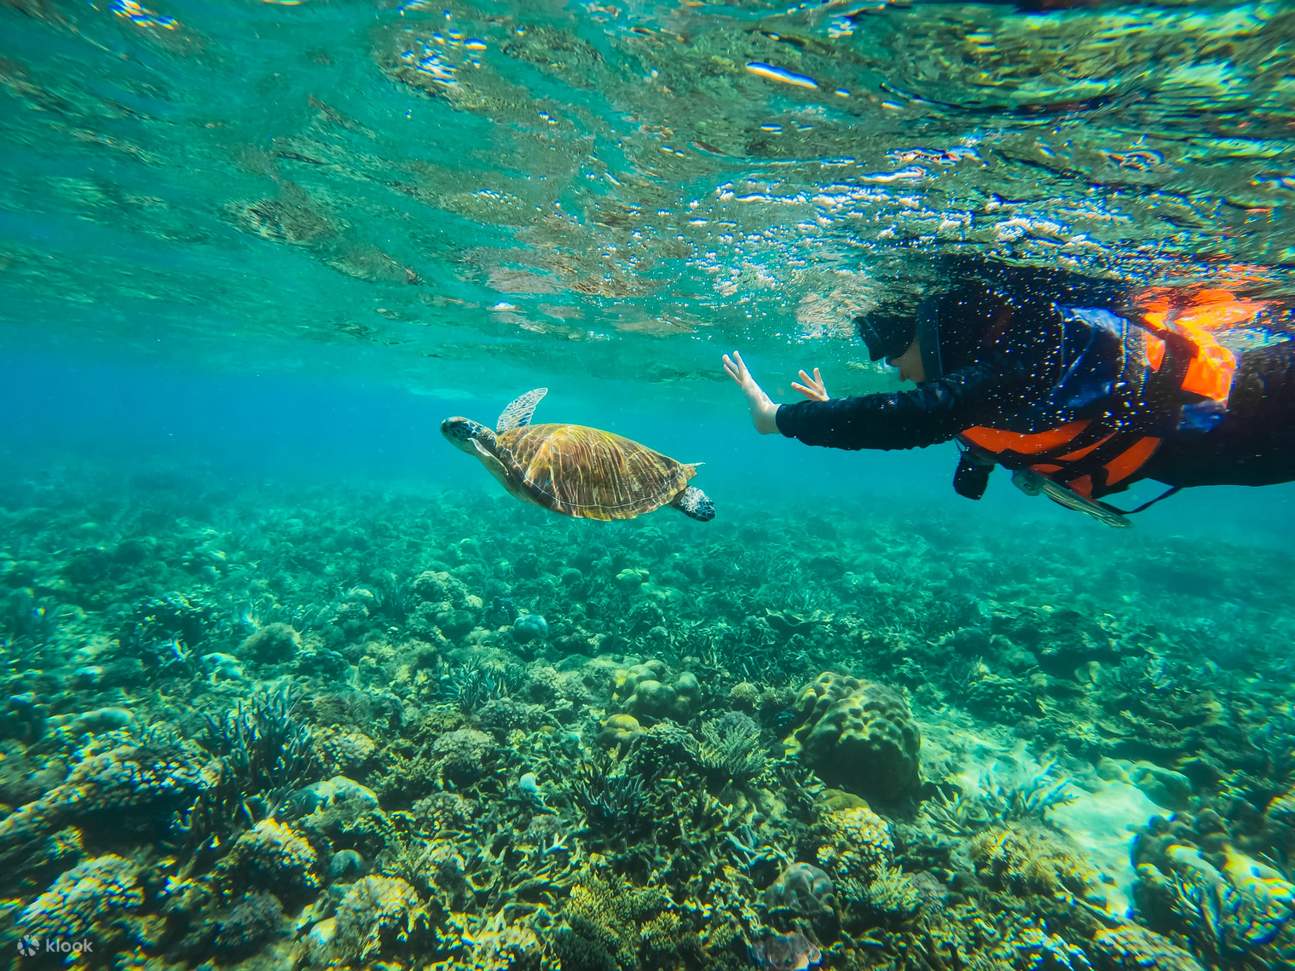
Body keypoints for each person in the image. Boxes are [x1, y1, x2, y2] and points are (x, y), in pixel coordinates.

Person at [723, 264, 1295, 526]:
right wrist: (832, 416)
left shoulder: (1022, 346)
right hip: (1217, 440)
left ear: (923, 333)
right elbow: (961, 425)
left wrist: (776, 417)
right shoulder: (1000, 356)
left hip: (1258, 410)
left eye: (893, 357)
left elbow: (914, 418)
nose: (895, 373)